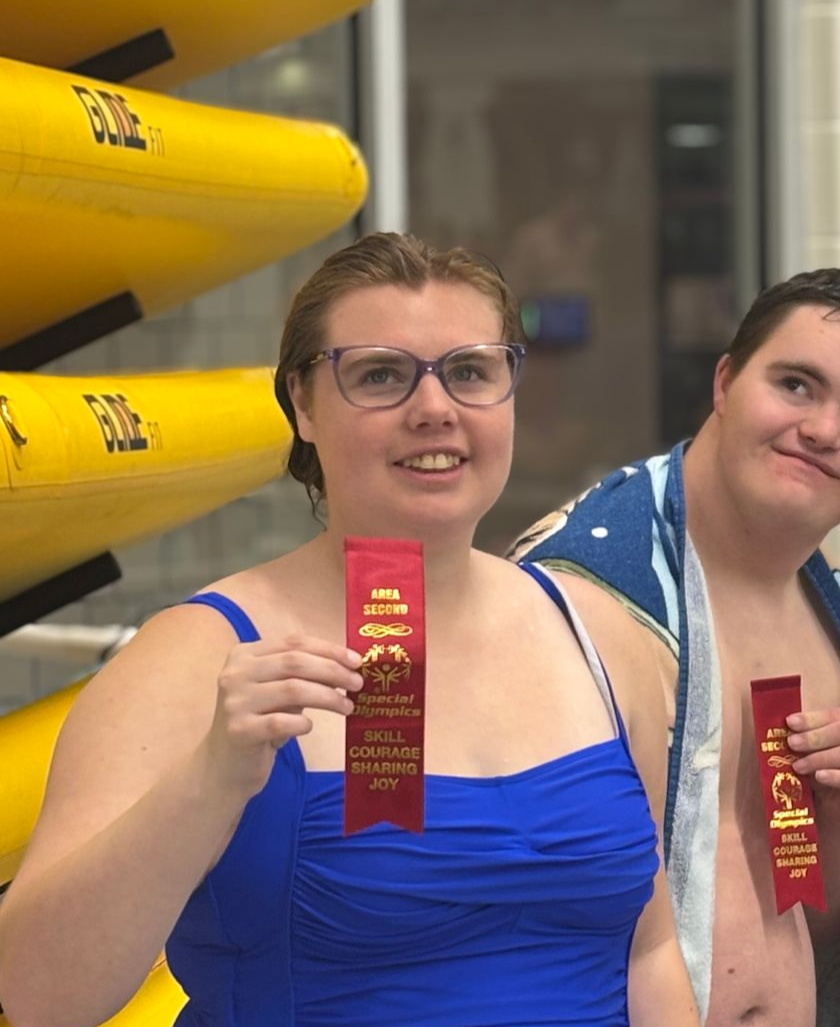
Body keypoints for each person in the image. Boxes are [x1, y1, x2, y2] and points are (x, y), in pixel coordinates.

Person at [0, 233, 699, 1027]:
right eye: (381, 375)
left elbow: (649, 952)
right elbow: (38, 996)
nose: (433, 409)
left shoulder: (598, 636)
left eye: (470, 372)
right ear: (302, 404)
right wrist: (212, 778)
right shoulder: (196, 655)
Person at [511, 269, 840, 1027]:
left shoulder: (837, 621)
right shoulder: (576, 589)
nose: (823, 428)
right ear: (725, 382)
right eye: (795, 384)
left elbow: (816, 925)